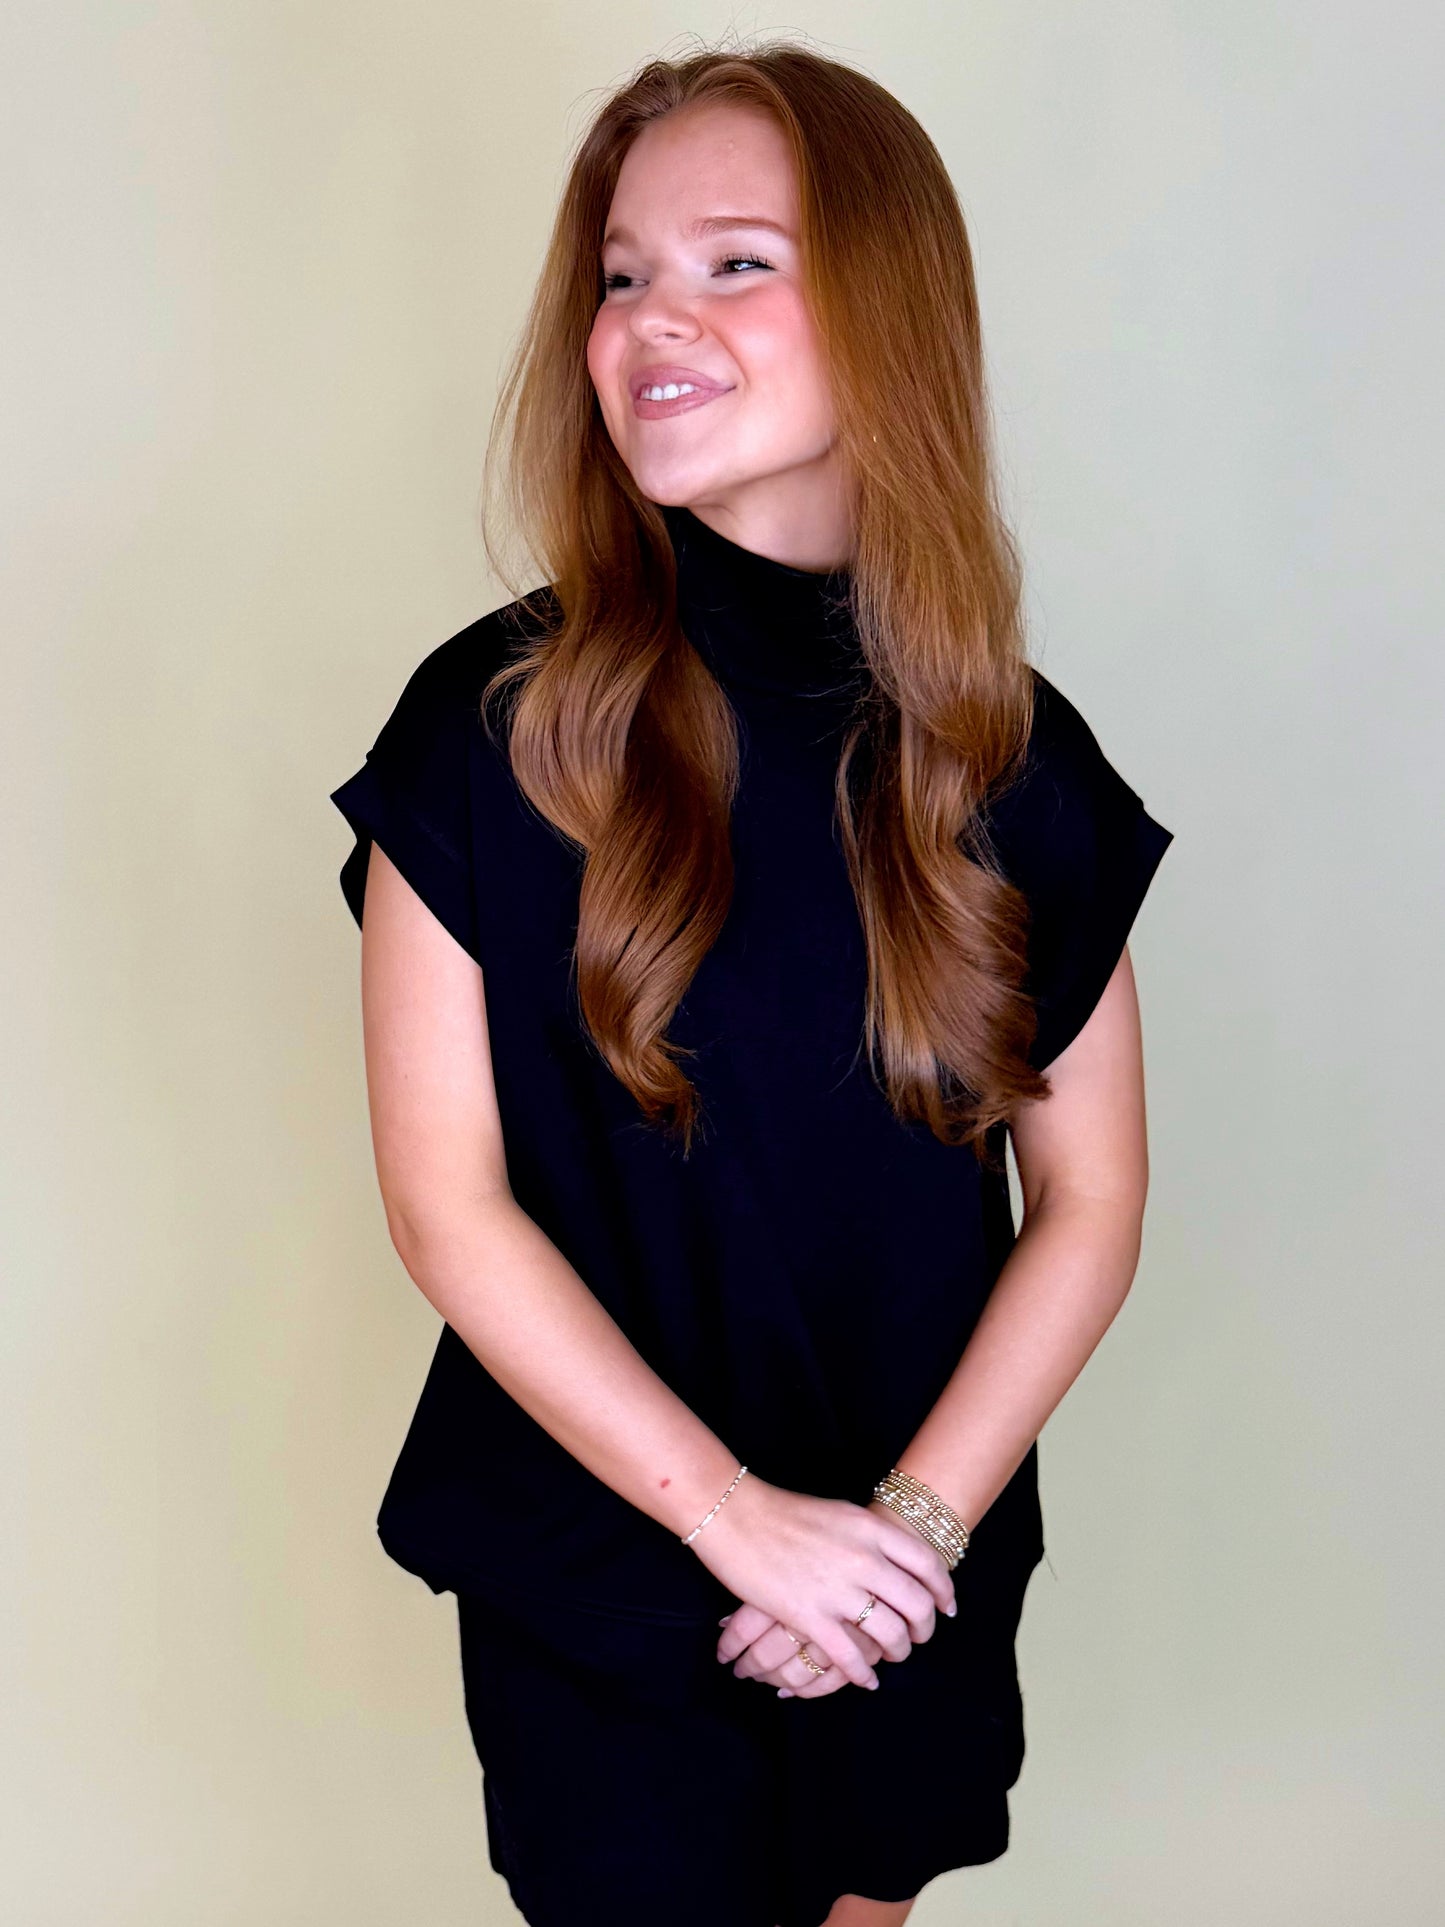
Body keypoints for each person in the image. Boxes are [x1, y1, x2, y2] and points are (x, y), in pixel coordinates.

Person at [328, 42, 1174, 1927]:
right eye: (620, 273)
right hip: (608, 1555)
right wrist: (735, 1527)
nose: (650, 317)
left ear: (886, 309)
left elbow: (1090, 1201)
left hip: (905, 1558)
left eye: (733, 262)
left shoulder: (1013, 759)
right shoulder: (489, 726)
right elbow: (446, 1204)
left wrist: (900, 1536)